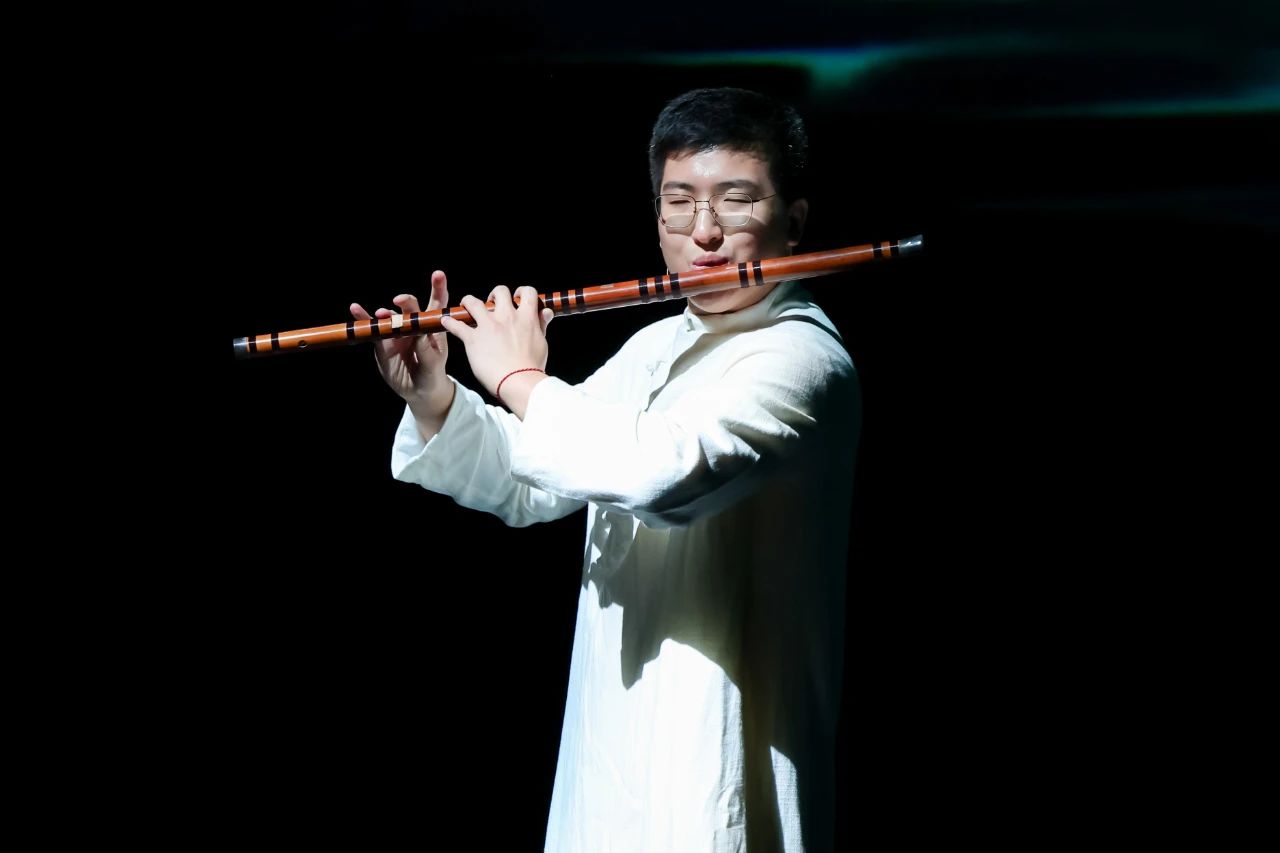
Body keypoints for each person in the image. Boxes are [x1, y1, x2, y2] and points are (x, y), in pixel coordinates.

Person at [350, 87, 860, 853]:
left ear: (793, 219)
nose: (705, 231)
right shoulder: (655, 346)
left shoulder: (804, 359)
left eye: (736, 201)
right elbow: (535, 478)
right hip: (610, 771)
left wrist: (519, 376)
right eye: (679, 204)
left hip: (716, 773)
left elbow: (659, 475)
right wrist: (435, 395)